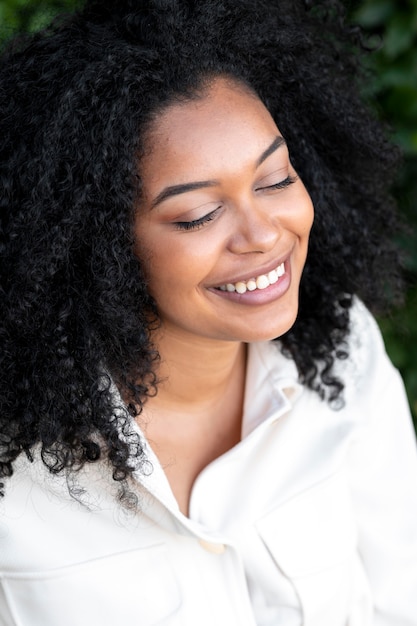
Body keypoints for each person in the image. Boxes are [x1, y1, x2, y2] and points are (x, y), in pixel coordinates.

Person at [0, 0, 416, 624]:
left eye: (275, 179)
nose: (261, 235)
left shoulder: (345, 348)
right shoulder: (17, 472)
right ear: (102, 242)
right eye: (198, 215)